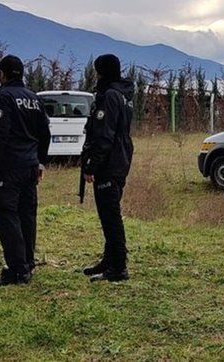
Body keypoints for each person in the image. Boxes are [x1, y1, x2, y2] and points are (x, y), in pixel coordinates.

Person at [0, 55, 50, 286]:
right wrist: (40, 162)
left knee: (6, 216)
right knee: (27, 215)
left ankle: (17, 270)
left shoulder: (3, 97)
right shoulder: (34, 98)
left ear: (3, 74)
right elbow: (45, 134)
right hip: (30, 165)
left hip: (9, 166)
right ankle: (28, 262)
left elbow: (0, 133)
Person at [81, 54, 134, 282]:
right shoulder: (122, 94)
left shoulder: (111, 96)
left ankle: (119, 266)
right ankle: (109, 259)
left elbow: (104, 135)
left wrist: (92, 163)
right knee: (107, 213)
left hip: (110, 162)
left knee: (110, 215)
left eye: (97, 71)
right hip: (119, 158)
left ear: (103, 71)